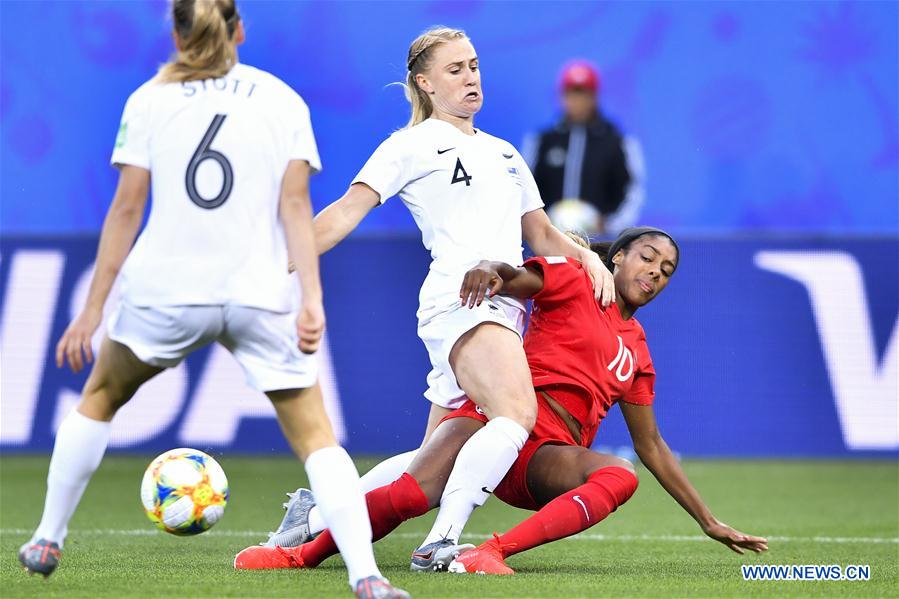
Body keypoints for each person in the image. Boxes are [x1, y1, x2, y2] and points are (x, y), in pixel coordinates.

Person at [16, 2, 407, 597]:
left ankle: (47, 537)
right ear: (240, 31)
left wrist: (93, 310)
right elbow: (296, 207)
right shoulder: (281, 100)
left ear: (175, 33)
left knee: (98, 397)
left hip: (165, 289)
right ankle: (367, 577)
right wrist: (310, 298)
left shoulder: (150, 98)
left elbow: (125, 210)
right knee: (316, 437)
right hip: (256, 289)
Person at [267, 26, 615, 569]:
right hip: (463, 301)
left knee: (430, 471)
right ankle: (441, 542)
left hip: (501, 308)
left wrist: (590, 257)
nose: (471, 77)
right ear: (425, 83)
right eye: (455, 70)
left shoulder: (503, 153)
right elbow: (345, 211)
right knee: (516, 411)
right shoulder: (409, 145)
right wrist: (276, 263)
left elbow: (543, 236)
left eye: (473, 65)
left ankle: (313, 518)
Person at [233, 227, 768, 573]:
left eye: (666, 270)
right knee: (413, 493)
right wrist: (494, 269)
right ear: (618, 257)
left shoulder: (638, 353)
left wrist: (707, 519)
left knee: (620, 474)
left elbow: (650, 445)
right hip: (495, 419)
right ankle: (299, 555)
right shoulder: (578, 279)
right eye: (647, 258)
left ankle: (489, 551)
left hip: (543, 459)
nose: (654, 272)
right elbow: (522, 277)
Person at [523, 60, 645, 237]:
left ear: (594, 96)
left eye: (582, 93)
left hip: (600, 242)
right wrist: (541, 224)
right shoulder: (542, 141)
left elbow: (631, 190)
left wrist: (610, 224)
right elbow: (526, 188)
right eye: (570, 93)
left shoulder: (617, 142)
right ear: (562, 97)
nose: (576, 101)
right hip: (550, 240)